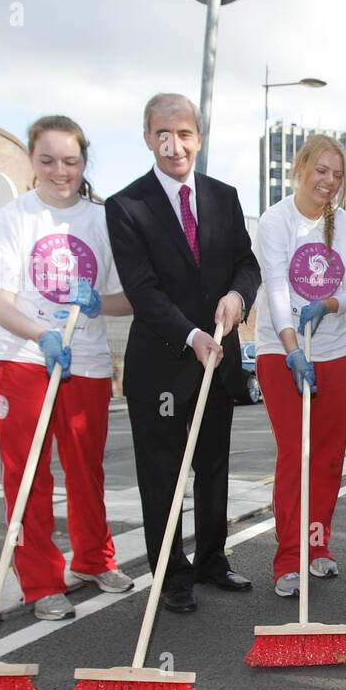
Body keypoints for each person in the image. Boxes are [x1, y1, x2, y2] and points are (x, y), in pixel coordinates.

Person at [0, 114, 135, 621]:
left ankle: (92, 559)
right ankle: (41, 580)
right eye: (47, 160)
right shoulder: (14, 218)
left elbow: (129, 299)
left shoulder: (102, 220)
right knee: (28, 474)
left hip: (83, 359)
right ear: (32, 161)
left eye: (70, 161)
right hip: (23, 359)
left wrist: (97, 305)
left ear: (84, 162)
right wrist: (38, 332)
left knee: (86, 468)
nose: (59, 171)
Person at [106, 93, 260, 613]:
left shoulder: (224, 196)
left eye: (185, 133)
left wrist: (239, 296)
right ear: (148, 138)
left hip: (218, 362)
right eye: (163, 134)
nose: (175, 145)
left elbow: (247, 264)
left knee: (214, 466)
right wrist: (192, 336)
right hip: (164, 363)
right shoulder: (126, 206)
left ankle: (214, 561)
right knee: (163, 474)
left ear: (199, 136)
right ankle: (171, 576)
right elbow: (143, 290)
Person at [253, 134, 346, 597]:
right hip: (281, 351)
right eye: (321, 170)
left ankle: (317, 547)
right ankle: (288, 559)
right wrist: (290, 346)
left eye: (337, 175)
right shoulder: (275, 220)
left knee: (327, 458)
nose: (329, 182)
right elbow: (277, 288)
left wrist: (331, 302)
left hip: (335, 352)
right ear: (302, 167)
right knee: (294, 455)